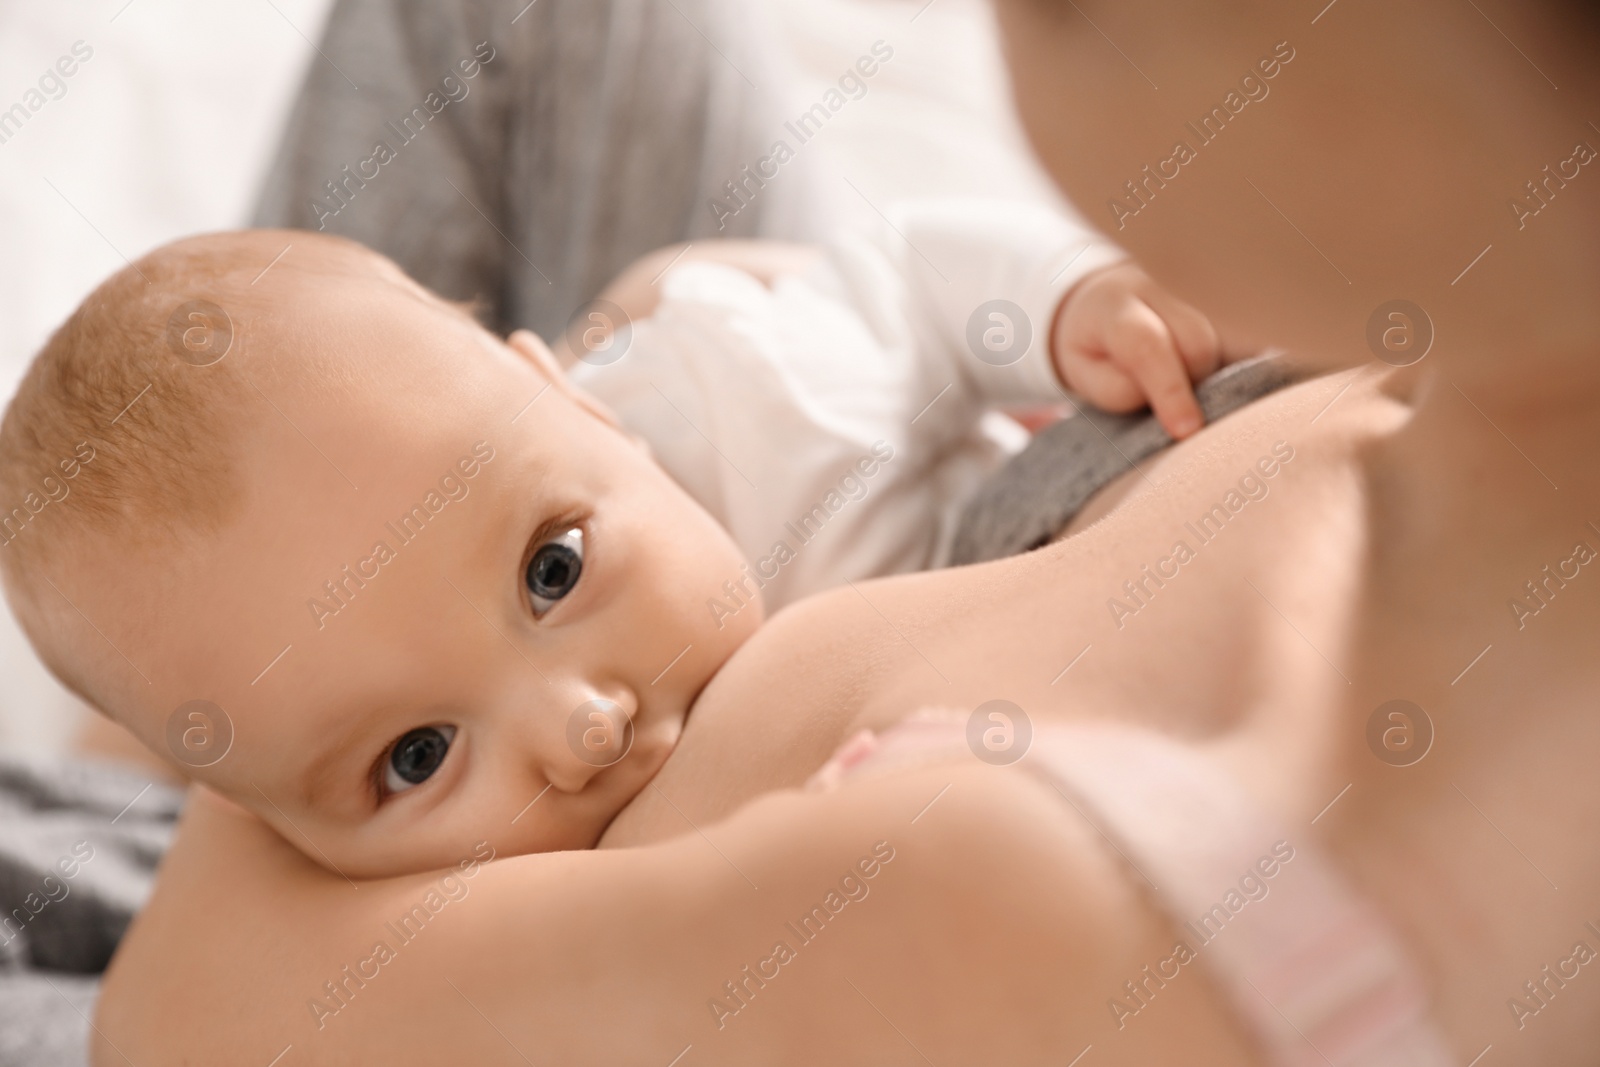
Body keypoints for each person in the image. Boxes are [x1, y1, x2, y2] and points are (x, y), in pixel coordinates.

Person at [52, 0, 1600, 1062]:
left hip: (224, 886)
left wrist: (257, 661)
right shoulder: (1471, 352)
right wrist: (612, 407)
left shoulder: (1028, 889)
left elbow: (186, 1019)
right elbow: (914, 297)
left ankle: (145, 733)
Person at [0, 190, 1224, 879]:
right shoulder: (443, 924)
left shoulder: (759, 401)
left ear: (585, 403)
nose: (580, 729)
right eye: (417, 756)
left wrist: (1064, 304)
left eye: (553, 570)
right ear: (269, 828)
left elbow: (902, 274)